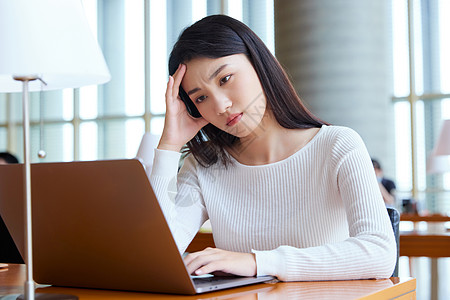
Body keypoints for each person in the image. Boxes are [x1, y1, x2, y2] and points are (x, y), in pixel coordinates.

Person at [149, 15, 396, 281]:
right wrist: (169, 145)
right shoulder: (205, 166)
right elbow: (155, 256)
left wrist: (258, 262)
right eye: (200, 98)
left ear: (259, 63)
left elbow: (378, 253)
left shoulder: (337, 145)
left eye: (225, 79)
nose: (220, 106)